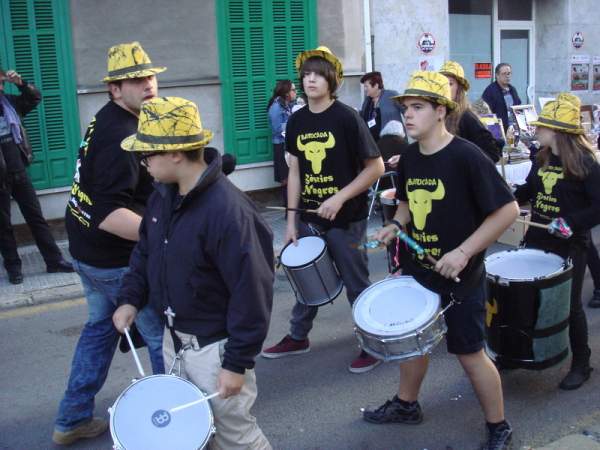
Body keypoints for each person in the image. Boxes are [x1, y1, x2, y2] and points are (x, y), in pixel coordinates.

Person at [364, 71, 518, 450]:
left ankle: (499, 427)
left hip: (461, 277)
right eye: (405, 108)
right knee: (412, 341)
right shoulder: (411, 157)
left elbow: (508, 211)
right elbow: (404, 202)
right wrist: (396, 226)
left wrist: (464, 252)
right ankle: (406, 405)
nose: (408, 115)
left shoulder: (467, 156)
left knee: (470, 354)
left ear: (439, 111)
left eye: (417, 108)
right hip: (421, 271)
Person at [113, 96, 274, 450]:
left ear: (174, 153)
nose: (143, 164)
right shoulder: (161, 196)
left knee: (237, 437)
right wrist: (130, 299)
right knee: (192, 433)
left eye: (147, 155)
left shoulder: (230, 212)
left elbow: (253, 293)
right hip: (175, 340)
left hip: (216, 351)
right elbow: (145, 252)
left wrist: (236, 363)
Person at [53, 42, 166, 446]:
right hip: (114, 258)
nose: (148, 85)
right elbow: (111, 214)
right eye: (135, 80)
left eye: (150, 76)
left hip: (86, 251)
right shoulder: (122, 134)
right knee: (160, 337)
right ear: (115, 89)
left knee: (100, 329)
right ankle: (169, 418)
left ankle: (72, 418)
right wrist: (166, 239)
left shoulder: (108, 118)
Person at [261, 46, 385, 373]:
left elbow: (375, 168)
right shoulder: (298, 120)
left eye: (318, 74)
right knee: (307, 279)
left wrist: (340, 197)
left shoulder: (347, 117)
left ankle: (372, 343)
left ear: (332, 80)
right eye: (306, 74)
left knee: (356, 283)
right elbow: (295, 173)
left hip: (348, 218)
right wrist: (290, 221)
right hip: (308, 218)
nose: (310, 79)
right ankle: (298, 337)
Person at [514, 92, 600, 390]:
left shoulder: (585, 162)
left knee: (571, 305)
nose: (536, 130)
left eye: (541, 127)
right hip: (538, 237)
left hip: (570, 243)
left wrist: (572, 222)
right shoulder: (542, 157)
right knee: (529, 296)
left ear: (557, 131)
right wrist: (508, 199)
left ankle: (581, 363)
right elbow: (530, 189)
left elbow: (598, 205)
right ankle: (523, 353)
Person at [0, 67, 73, 284]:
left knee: (36, 219)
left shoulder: (10, 104)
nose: (0, 88)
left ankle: (54, 261)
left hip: (19, 171)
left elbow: (34, 98)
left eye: (2, 84)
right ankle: (14, 268)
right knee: (3, 226)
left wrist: (21, 83)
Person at [440, 61, 502, 162]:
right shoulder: (439, 115)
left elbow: (492, 154)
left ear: (459, 89)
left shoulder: (467, 117)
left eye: (450, 84)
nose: (445, 88)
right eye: (442, 84)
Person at [267, 80, 297, 205]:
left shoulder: (287, 105)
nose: (296, 92)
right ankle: (288, 208)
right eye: (293, 90)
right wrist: (294, 124)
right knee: (285, 179)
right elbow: (276, 129)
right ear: (286, 93)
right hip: (280, 145)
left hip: (288, 145)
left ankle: (293, 206)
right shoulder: (276, 108)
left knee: (293, 176)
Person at [359, 71, 407, 144]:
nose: (365, 89)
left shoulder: (391, 95)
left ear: (376, 85)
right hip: (374, 145)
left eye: (366, 86)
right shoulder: (367, 101)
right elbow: (363, 118)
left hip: (394, 142)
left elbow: (407, 110)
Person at [482, 63, 522, 133]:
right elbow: (485, 114)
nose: (507, 76)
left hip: (513, 129)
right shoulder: (490, 91)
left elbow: (518, 108)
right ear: (497, 75)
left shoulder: (512, 90)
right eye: (504, 74)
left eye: (509, 73)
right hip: (498, 130)